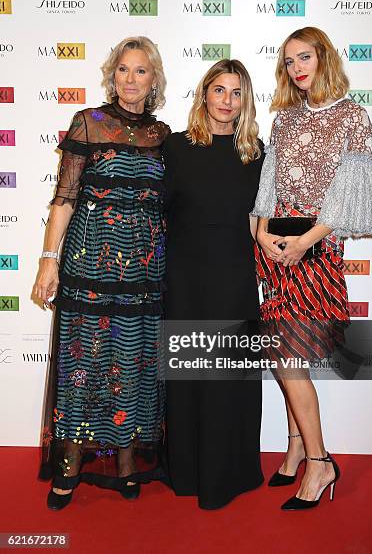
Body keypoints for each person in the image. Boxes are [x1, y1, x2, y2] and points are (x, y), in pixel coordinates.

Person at [33, 36, 170, 510]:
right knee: (83, 364)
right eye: (123, 70)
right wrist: (48, 263)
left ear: (154, 81)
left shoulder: (163, 135)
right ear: (112, 75)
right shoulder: (87, 123)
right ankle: (68, 465)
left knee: (134, 361)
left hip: (145, 270)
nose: (130, 79)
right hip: (89, 262)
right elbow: (64, 198)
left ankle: (128, 460)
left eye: (141, 71)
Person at [252, 26, 372, 510]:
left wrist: (304, 243)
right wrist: (260, 234)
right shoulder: (284, 120)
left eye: (304, 57)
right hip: (276, 251)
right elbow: (266, 190)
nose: (297, 68)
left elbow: (350, 199)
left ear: (324, 57)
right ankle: (293, 452)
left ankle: (320, 461)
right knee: (285, 357)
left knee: (290, 358)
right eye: (289, 61)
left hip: (317, 251)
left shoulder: (353, 116)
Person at [163, 59, 265, 509]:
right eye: (219, 90)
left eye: (236, 92)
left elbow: (262, 220)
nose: (227, 101)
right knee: (188, 375)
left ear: (246, 100)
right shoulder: (176, 147)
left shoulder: (255, 152)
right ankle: (186, 470)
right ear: (204, 93)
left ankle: (230, 472)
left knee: (228, 377)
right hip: (185, 275)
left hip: (235, 274)